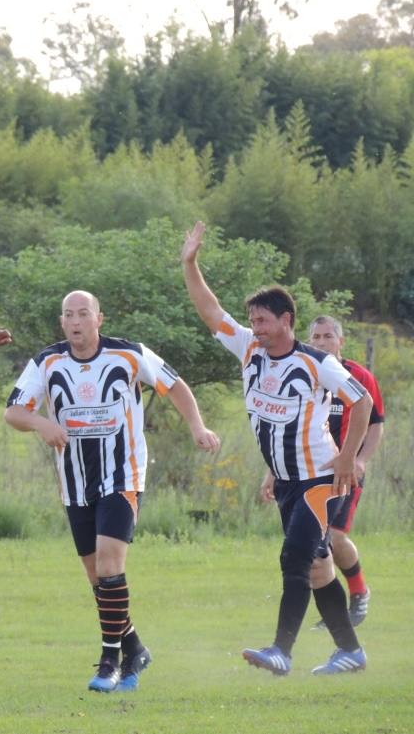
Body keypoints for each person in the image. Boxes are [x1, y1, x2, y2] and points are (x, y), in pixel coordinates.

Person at [3, 290, 220, 693]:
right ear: (62, 321)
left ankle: (110, 662)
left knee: (108, 565)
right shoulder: (47, 362)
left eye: (83, 313)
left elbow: (174, 385)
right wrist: (41, 424)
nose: (75, 321)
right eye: (68, 315)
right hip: (75, 484)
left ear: (99, 318)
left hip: (123, 477)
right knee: (98, 578)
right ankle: (135, 648)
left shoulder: (129, 355)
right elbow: (13, 411)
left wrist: (196, 425)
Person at [181, 221, 374, 676]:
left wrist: (347, 458)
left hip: (319, 480)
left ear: (286, 320)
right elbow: (210, 311)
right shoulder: (250, 351)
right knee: (318, 567)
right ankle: (351, 651)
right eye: (252, 322)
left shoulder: (315, 362)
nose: (256, 329)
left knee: (294, 557)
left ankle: (281, 652)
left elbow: (361, 401)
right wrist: (190, 264)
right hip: (287, 482)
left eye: (263, 321)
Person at [303, 315, 384, 629]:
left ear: (340, 341)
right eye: (315, 337)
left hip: (346, 471)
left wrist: (359, 460)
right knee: (314, 545)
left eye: (327, 336)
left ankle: (360, 592)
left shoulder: (360, 376)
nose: (321, 343)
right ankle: (334, 614)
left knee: (334, 538)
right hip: (310, 472)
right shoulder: (306, 373)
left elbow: (376, 425)